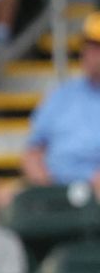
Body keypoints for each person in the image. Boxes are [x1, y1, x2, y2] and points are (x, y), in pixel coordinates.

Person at [23, 11, 100, 189]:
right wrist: (43, 183)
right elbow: (33, 153)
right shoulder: (61, 95)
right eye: (87, 45)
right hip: (56, 193)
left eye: (97, 46)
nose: (89, 53)